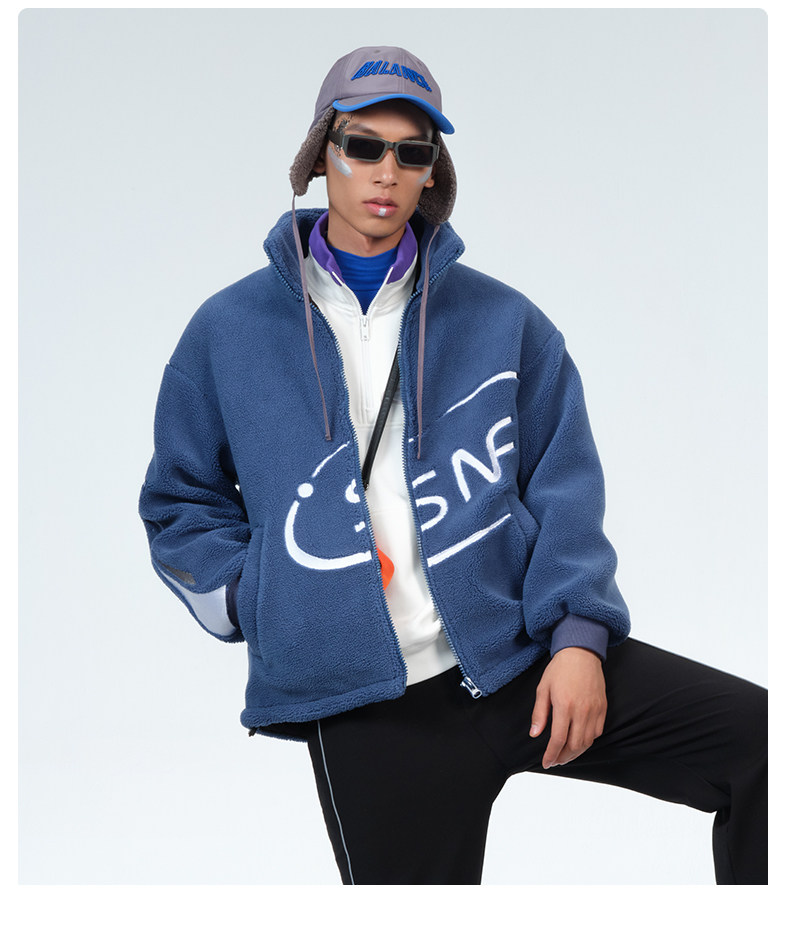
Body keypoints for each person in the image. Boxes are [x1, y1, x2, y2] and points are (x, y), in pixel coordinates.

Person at [138, 45, 767, 885]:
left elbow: (564, 487)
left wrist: (580, 640)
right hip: (366, 702)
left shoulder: (506, 323)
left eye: (412, 152)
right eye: (363, 146)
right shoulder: (228, 332)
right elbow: (179, 502)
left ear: (433, 170)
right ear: (320, 155)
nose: (386, 172)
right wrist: (259, 594)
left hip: (520, 658)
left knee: (765, 748)